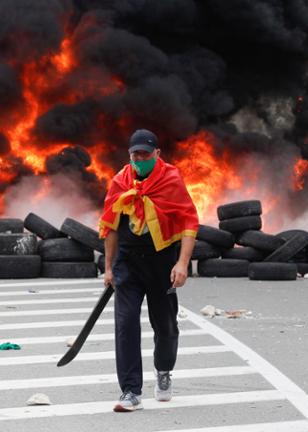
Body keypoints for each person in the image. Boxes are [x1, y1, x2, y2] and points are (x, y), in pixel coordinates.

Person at [99, 128, 199, 412]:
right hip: (128, 264)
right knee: (126, 325)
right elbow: (110, 227)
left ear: (157, 154)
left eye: (145, 153)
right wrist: (108, 268)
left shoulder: (171, 181)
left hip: (161, 263)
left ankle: (164, 370)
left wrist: (182, 263)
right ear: (129, 155)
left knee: (165, 325)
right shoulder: (120, 182)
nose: (140, 158)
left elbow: (189, 224)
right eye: (135, 154)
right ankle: (130, 391)